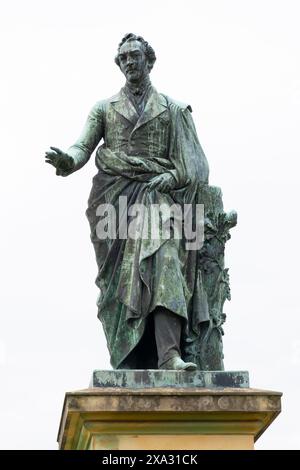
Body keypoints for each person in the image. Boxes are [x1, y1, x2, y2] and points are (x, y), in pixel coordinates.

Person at [45, 33, 210, 370]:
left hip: (159, 196)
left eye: (135, 55)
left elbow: (195, 164)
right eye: (124, 58)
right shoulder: (103, 109)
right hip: (115, 202)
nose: (130, 62)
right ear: (119, 64)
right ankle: (130, 356)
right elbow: (82, 147)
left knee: (164, 260)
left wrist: (172, 177)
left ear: (150, 60)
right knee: (121, 283)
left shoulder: (173, 109)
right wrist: (68, 161)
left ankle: (169, 356)